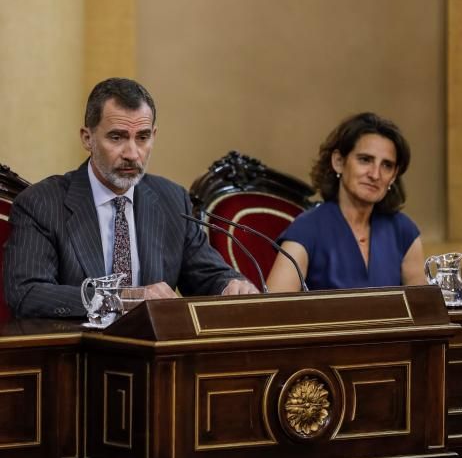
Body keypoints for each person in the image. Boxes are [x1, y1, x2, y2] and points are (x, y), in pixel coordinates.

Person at [4, 78, 257, 318]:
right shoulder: (42, 203)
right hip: (79, 356)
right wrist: (121, 298)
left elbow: (207, 275)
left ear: (154, 136)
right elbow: (28, 293)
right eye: (117, 137)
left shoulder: (171, 200)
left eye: (143, 137)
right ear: (87, 138)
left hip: (155, 356)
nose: (132, 153)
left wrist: (231, 287)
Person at [266, 112, 426, 292]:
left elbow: (422, 311)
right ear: (339, 162)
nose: (375, 174)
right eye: (365, 160)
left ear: (394, 176)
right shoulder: (306, 230)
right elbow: (274, 312)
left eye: (387, 165)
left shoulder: (403, 231)